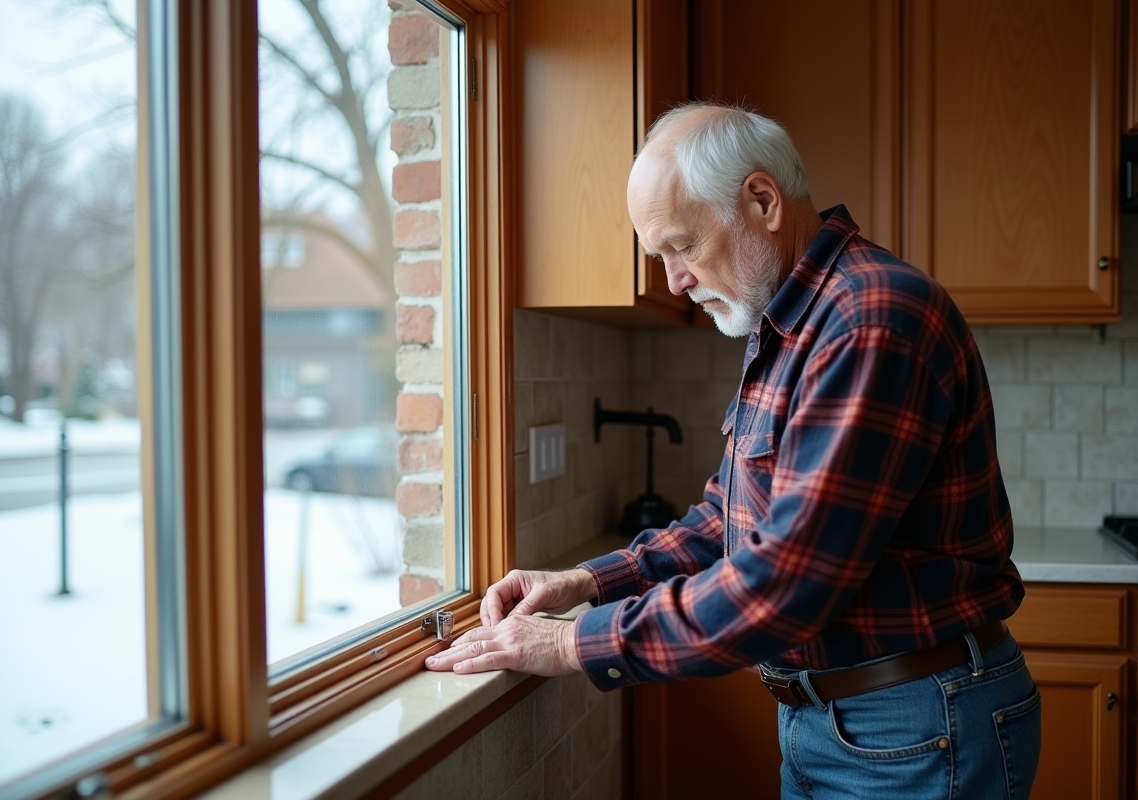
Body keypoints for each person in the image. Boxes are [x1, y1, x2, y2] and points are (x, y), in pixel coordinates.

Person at [425, 102, 1041, 799]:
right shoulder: (792, 323)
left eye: (680, 246)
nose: (673, 281)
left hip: (912, 728)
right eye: (660, 258)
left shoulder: (868, 321)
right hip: (850, 722)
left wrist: (571, 643)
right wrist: (587, 582)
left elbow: (787, 580)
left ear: (761, 200)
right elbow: (727, 520)